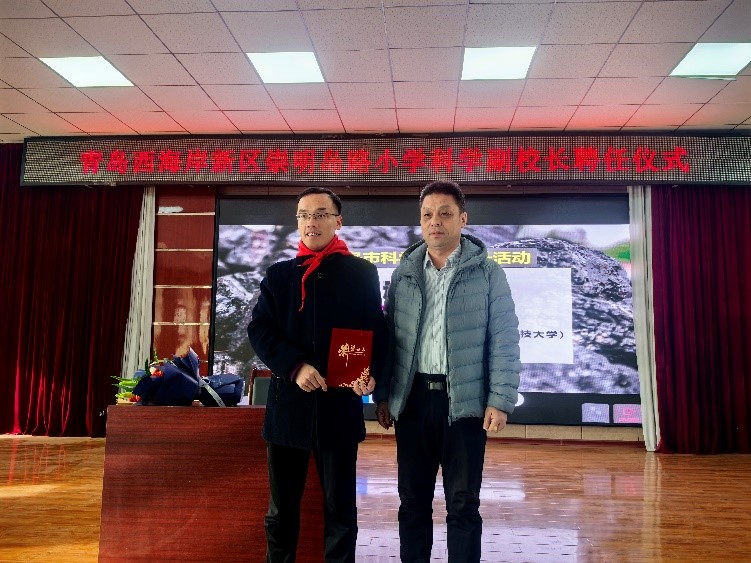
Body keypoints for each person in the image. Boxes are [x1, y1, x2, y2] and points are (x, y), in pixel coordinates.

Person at [374, 181, 521, 563]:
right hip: (413, 402)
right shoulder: (405, 274)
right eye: (427, 214)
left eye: (444, 213)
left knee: (463, 503)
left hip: (465, 404)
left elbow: (504, 338)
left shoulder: (488, 273)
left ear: (463, 219)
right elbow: (391, 338)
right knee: (412, 501)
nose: (434, 222)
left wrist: (500, 399)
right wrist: (384, 395)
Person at [247, 187, 386, 563]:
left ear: (338, 221)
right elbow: (259, 329)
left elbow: (376, 331)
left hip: (338, 409)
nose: (312, 222)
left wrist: (370, 374)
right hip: (288, 410)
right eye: (304, 215)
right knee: (281, 512)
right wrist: (295, 366)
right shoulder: (279, 275)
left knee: (341, 511)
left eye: (321, 214)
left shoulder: (361, 273)